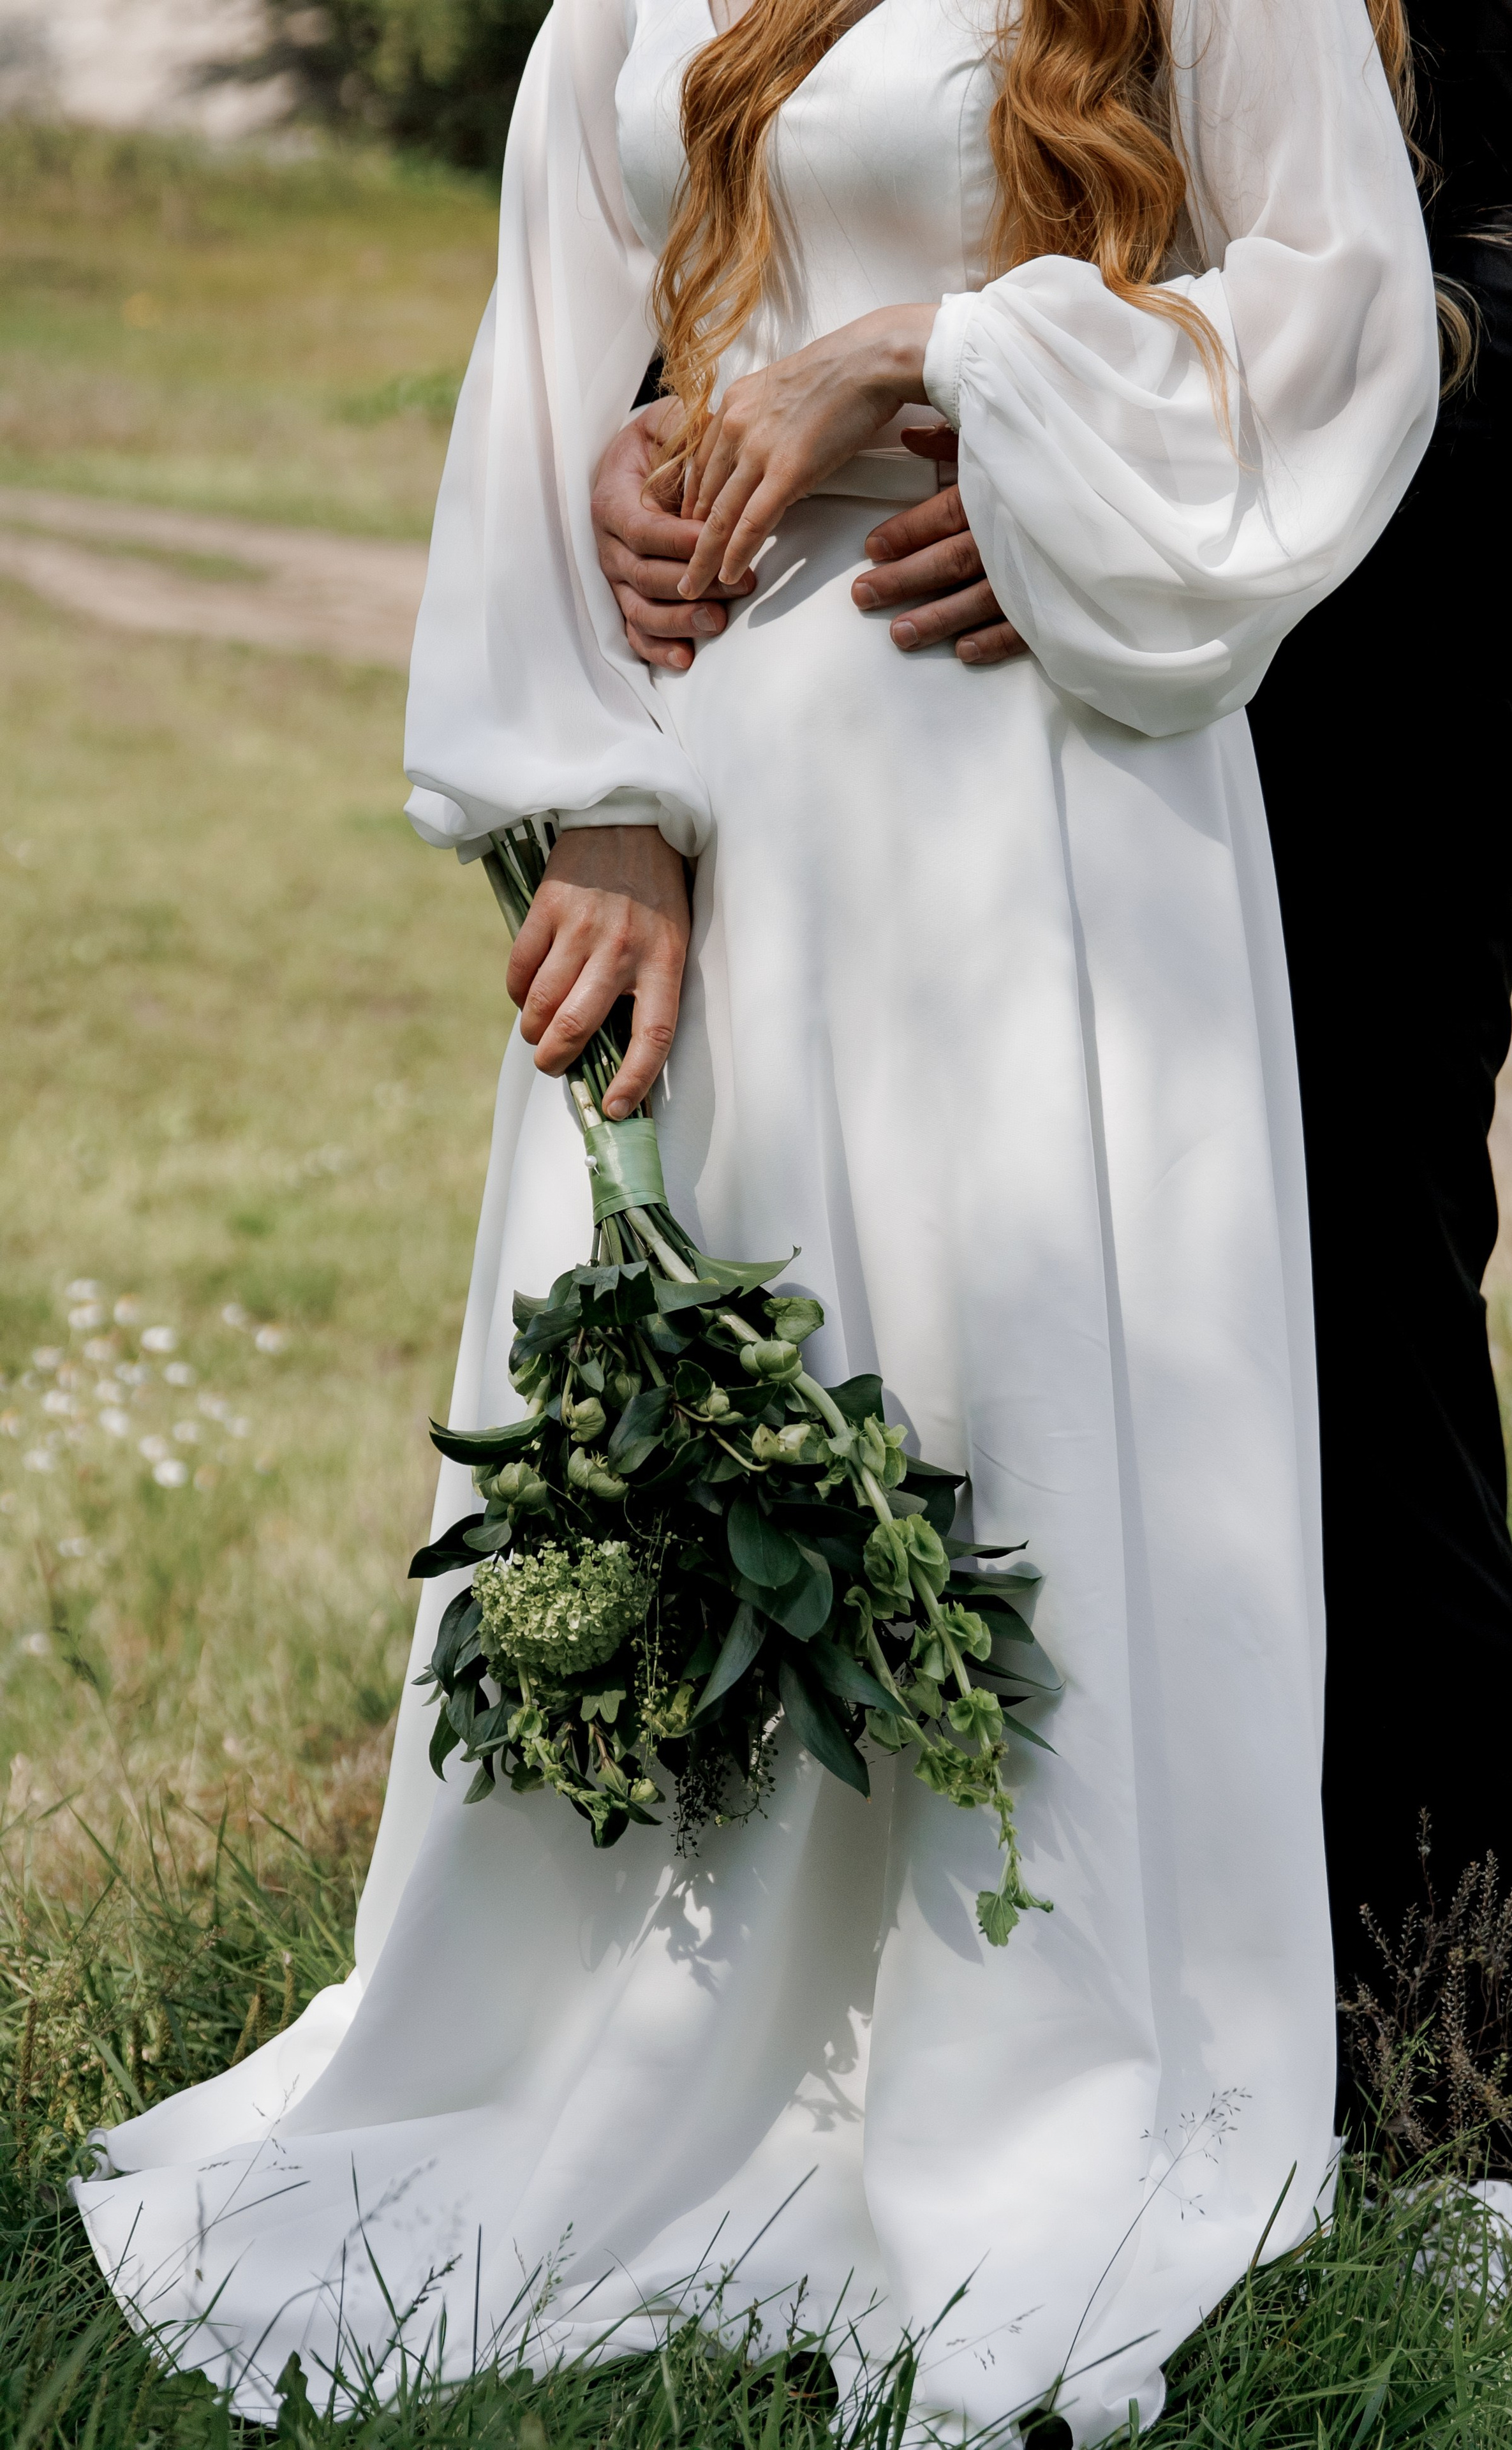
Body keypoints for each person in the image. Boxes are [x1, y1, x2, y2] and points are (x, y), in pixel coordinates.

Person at [73, 0, 1437, 2431]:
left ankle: (1012, 2085)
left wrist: (954, 379)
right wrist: (599, 784)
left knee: (1004, 1413)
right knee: (732, 1416)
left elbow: (1339, 318)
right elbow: (558, 325)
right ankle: (651, 2035)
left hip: (1035, 792)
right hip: (731, 793)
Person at [595, 0, 1512, 2163]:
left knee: (1358, 1349)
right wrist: (669, 421)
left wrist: (1153, 459)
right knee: (983, 1344)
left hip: (1374, 677)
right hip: (970, 679)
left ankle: (1443, 2119)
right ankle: (961, 2038)